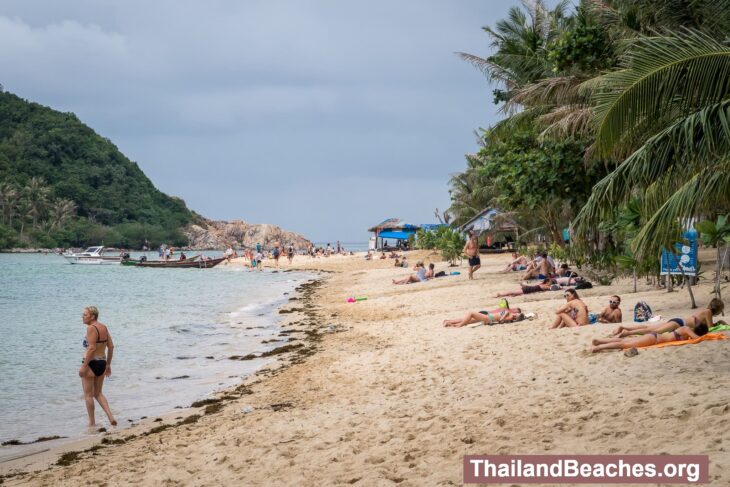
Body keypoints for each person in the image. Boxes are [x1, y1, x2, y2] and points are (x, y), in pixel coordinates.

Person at [79, 306, 117, 428]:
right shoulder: (104, 327)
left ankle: (92, 423)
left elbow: (91, 348)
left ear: (93, 316)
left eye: (85, 315)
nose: (82, 317)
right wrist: (108, 365)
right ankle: (111, 417)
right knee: (98, 393)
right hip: (101, 362)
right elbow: (111, 347)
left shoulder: (91, 328)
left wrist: (84, 366)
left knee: (88, 395)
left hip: (91, 363)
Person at [611, 298, 724, 337]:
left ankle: (624, 328)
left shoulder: (705, 310)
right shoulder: (708, 312)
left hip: (678, 321)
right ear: (718, 308)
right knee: (653, 331)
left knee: (649, 327)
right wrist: (721, 323)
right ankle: (627, 333)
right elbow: (711, 327)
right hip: (678, 324)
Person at [591, 324, 708, 353]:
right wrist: (705, 336)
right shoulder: (686, 329)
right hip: (654, 339)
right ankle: (599, 348)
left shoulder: (686, 330)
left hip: (654, 338)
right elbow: (697, 339)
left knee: (624, 341)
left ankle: (599, 341)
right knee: (624, 345)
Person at [443, 308, 525, 327]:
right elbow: (501, 317)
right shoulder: (510, 316)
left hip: (488, 317)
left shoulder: (509, 315)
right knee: (467, 320)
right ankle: (449, 323)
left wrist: (502, 318)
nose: (516, 314)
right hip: (488, 318)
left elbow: (501, 318)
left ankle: (459, 325)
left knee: (471, 313)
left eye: (517, 314)